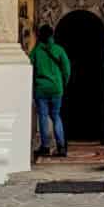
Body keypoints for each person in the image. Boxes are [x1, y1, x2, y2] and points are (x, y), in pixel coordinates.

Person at [29, 24, 71, 158]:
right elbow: (67, 69)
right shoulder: (59, 50)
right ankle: (61, 146)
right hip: (56, 88)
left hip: (41, 88)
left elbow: (30, 69)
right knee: (56, 116)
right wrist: (62, 83)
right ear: (52, 35)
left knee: (43, 117)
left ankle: (45, 146)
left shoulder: (35, 52)